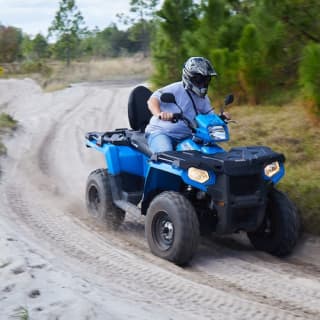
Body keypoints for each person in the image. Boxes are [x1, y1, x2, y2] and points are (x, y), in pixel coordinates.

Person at [145, 56, 229, 153]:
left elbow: (208, 117)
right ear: (188, 77)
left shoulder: (203, 98)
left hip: (189, 136)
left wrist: (220, 118)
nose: (202, 83)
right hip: (162, 132)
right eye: (199, 79)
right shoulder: (175, 89)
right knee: (166, 154)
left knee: (207, 153)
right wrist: (159, 114)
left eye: (206, 79)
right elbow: (152, 100)